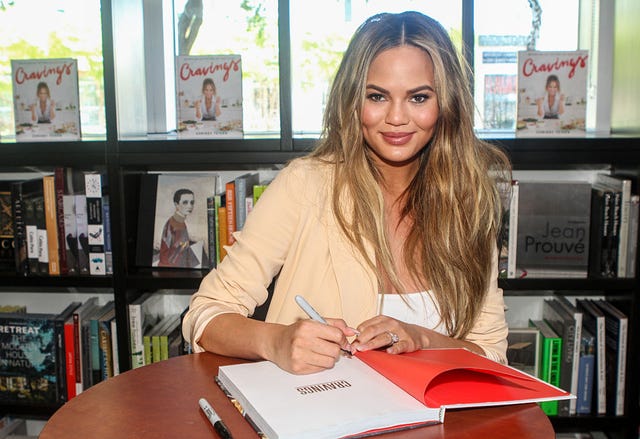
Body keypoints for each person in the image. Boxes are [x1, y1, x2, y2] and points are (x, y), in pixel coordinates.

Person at [182, 11, 512, 375]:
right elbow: (205, 315)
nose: (397, 117)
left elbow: (491, 351)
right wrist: (275, 342)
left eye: (418, 98)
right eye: (378, 96)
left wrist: (424, 339)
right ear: (353, 101)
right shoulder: (304, 186)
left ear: (446, 104)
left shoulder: (467, 202)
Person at [158, 188, 201, 268]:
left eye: (192, 202)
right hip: (170, 267)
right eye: (185, 202)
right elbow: (171, 250)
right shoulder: (173, 223)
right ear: (176, 204)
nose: (190, 206)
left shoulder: (180, 222)